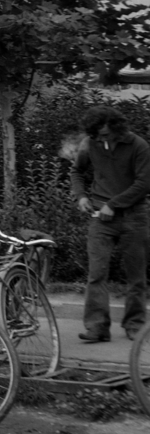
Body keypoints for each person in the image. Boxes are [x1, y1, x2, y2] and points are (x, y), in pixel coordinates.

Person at [69, 106, 150, 343]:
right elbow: (77, 172)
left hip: (134, 217)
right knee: (96, 274)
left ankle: (134, 324)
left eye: (105, 134)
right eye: (96, 135)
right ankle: (97, 327)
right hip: (100, 219)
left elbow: (145, 183)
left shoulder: (138, 146)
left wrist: (113, 204)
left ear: (116, 128)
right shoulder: (90, 143)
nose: (100, 139)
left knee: (136, 276)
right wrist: (81, 196)